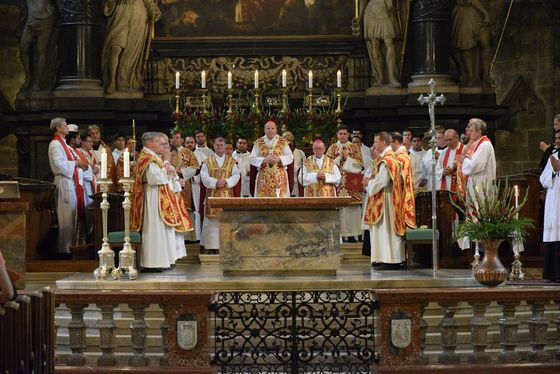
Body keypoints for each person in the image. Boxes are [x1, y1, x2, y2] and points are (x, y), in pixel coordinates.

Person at [130, 132, 192, 271]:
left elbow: (164, 176)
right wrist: (167, 166)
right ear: (150, 143)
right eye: (161, 143)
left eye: (165, 144)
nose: (164, 147)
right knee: (154, 230)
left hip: (158, 197)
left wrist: (168, 170)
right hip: (152, 198)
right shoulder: (147, 158)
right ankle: (152, 263)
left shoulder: (154, 158)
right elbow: (155, 178)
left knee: (162, 230)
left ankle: (162, 261)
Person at [363, 131, 405, 269]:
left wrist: (368, 183)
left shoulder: (388, 160)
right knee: (382, 230)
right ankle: (383, 258)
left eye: (376, 142)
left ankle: (391, 259)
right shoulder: (388, 158)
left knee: (385, 230)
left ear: (384, 142)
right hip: (385, 197)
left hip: (386, 199)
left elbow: (382, 181)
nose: (374, 145)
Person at [101, 0, 161, 94]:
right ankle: (111, 81)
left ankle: (123, 81)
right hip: (121, 11)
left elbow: (149, 2)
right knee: (115, 47)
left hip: (138, 13)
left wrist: (152, 10)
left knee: (130, 52)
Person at [48, 118, 88, 256]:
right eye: (65, 126)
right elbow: (58, 164)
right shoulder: (55, 144)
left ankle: (71, 247)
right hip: (64, 182)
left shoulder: (64, 145)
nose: (67, 128)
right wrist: (75, 164)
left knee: (72, 217)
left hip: (70, 181)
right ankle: (65, 249)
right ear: (59, 128)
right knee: (66, 218)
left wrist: (78, 164)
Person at [200, 136, 240, 253]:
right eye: (217, 145)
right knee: (212, 223)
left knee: (225, 221)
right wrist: (215, 182)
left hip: (226, 195)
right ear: (214, 145)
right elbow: (203, 176)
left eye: (222, 145)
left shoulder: (232, 161)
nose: (219, 147)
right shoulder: (207, 161)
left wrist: (226, 182)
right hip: (212, 194)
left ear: (225, 146)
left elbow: (236, 175)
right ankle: (212, 247)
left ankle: (226, 246)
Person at [327, 125, 364, 242]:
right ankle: (341, 235)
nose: (342, 136)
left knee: (352, 209)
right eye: (340, 134)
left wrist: (347, 160)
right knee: (340, 208)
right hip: (337, 182)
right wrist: (338, 159)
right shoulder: (332, 148)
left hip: (351, 179)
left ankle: (354, 234)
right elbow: (326, 164)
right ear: (337, 135)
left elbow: (360, 164)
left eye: (344, 133)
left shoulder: (354, 147)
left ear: (348, 135)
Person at [250, 121, 294, 197]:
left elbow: (290, 157)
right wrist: (263, 160)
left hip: (280, 178)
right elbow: (252, 159)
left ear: (276, 130)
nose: (270, 130)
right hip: (263, 179)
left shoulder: (283, 142)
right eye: (268, 128)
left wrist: (279, 159)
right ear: (264, 130)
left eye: (272, 128)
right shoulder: (258, 142)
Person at [363, 0, 401, 88]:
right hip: (371, 11)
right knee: (375, 46)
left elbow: (391, 5)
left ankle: (391, 77)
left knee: (389, 43)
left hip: (383, 11)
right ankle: (381, 78)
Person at [456, 118, 496, 197]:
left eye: (471, 130)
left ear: (479, 132)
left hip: (481, 183)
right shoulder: (479, 144)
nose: (469, 133)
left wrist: (464, 160)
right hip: (477, 182)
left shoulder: (484, 145)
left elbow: (477, 166)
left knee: (479, 206)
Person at [540, 129, 560, 282]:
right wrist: (553, 171)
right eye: (556, 138)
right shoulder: (553, 156)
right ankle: (552, 274)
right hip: (553, 199)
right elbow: (543, 179)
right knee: (553, 233)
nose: (557, 140)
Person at [391, 132, 416, 229]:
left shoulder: (402, 157)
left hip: (401, 193)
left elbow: (401, 179)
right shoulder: (400, 155)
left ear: (396, 142)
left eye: (390, 143)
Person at [438, 129, 464, 193]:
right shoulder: (444, 153)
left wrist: (454, 171)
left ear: (457, 137)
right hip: (447, 186)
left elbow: (471, 168)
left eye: (450, 140)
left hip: (462, 186)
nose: (448, 142)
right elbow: (437, 169)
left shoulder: (465, 150)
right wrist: (443, 171)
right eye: (446, 140)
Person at [282, 131, 306, 196]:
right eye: (285, 140)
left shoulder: (300, 153)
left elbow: (305, 170)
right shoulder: (278, 153)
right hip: (282, 183)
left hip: (296, 185)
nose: (288, 142)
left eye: (290, 140)